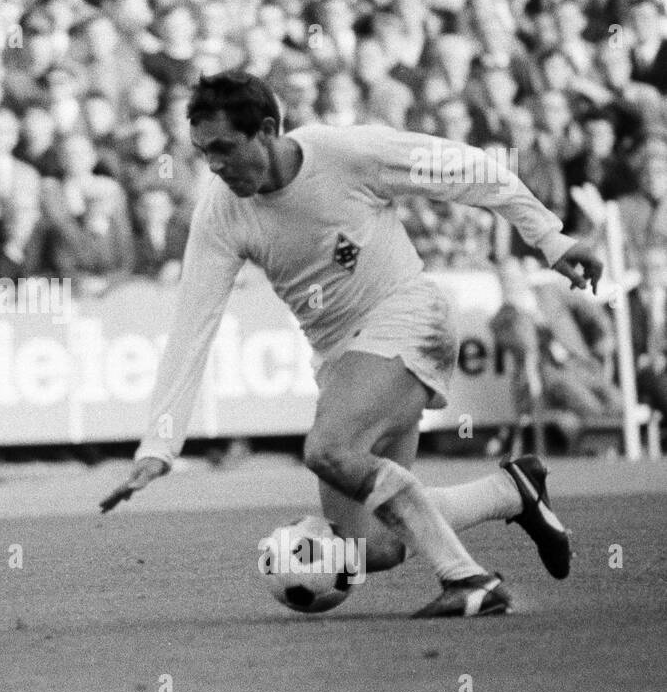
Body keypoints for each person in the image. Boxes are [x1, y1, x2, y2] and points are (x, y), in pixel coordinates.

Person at [100, 71, 604, 617]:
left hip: (410, 316)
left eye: (223, 148)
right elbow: (191, 326)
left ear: (266, 130)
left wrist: (551, 238)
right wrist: (159, 446)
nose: (215, 166)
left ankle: (469, 580)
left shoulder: (347, 153)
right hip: (344, 357)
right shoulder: (220, 212)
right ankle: (512, 491)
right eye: (203, 153)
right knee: (366, 549)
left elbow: (470, 169)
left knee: (328, 450)